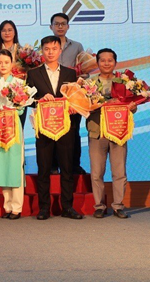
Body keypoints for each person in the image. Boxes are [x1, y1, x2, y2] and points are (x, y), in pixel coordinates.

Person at [26, 35, 81, 220]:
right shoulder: (33, 74)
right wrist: (39, 100)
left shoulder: (70, 73)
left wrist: (73, 106)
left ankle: (67, 207)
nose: (50, 52)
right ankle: (44, 208)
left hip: (65, 127)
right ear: (42, 51)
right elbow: (26, 100)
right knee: (44, 169)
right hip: (44, 127)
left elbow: (76, 98)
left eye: (54, 49)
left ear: (60, 51)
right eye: (47, 49)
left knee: (66, 168)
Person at [86, 49, 135, 219]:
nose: (106, 63)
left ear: (115, 63)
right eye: (103, 60)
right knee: (96, 172)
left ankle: (118, 206)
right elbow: (83, 107)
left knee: (119, 171)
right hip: (96, 131)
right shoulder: (89, 84)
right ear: (97, 63)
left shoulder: (124, 82)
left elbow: (132, 106)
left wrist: (132, 107)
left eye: (110, 60)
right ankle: (99, 206)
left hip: (118, 131)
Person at [0, 50, 26, 220]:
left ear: (12, 64)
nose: (3, 66)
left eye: (6, 62)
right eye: (0, 62)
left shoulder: (19, 83)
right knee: (1, 164)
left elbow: (22, 109)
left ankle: (17, 207)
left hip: (13, 127)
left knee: (15, 164)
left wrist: (15, 106)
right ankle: (7, 206)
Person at [50, 12, 86, 175]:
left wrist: (80, 78)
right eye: (56, 24)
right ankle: (53, 165)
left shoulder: (77, 46)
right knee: (51, 130)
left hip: (72, 97)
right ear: (51, 27)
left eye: (63, 24)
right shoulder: (45, 47)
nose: (60, 26)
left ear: (68, 26)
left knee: (73, 131)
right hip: (52, 96)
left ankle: (74, 165)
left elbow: (85, 69)